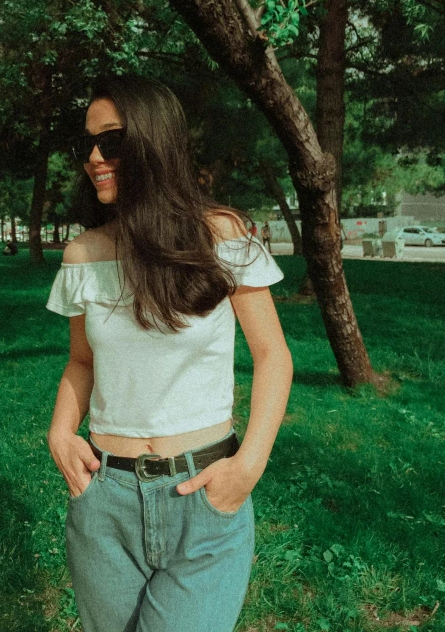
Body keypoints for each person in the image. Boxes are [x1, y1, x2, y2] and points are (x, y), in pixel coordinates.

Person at [46, 75, 293, 632]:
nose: (93, 156)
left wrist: (247, 467)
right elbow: (82, 362)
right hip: (104, 502)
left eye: (111, 140)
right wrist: (62, 432)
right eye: (86, 143)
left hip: (204, 495)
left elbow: (273, 355)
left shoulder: (221, 236)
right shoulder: (84, 254)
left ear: (154, 141)